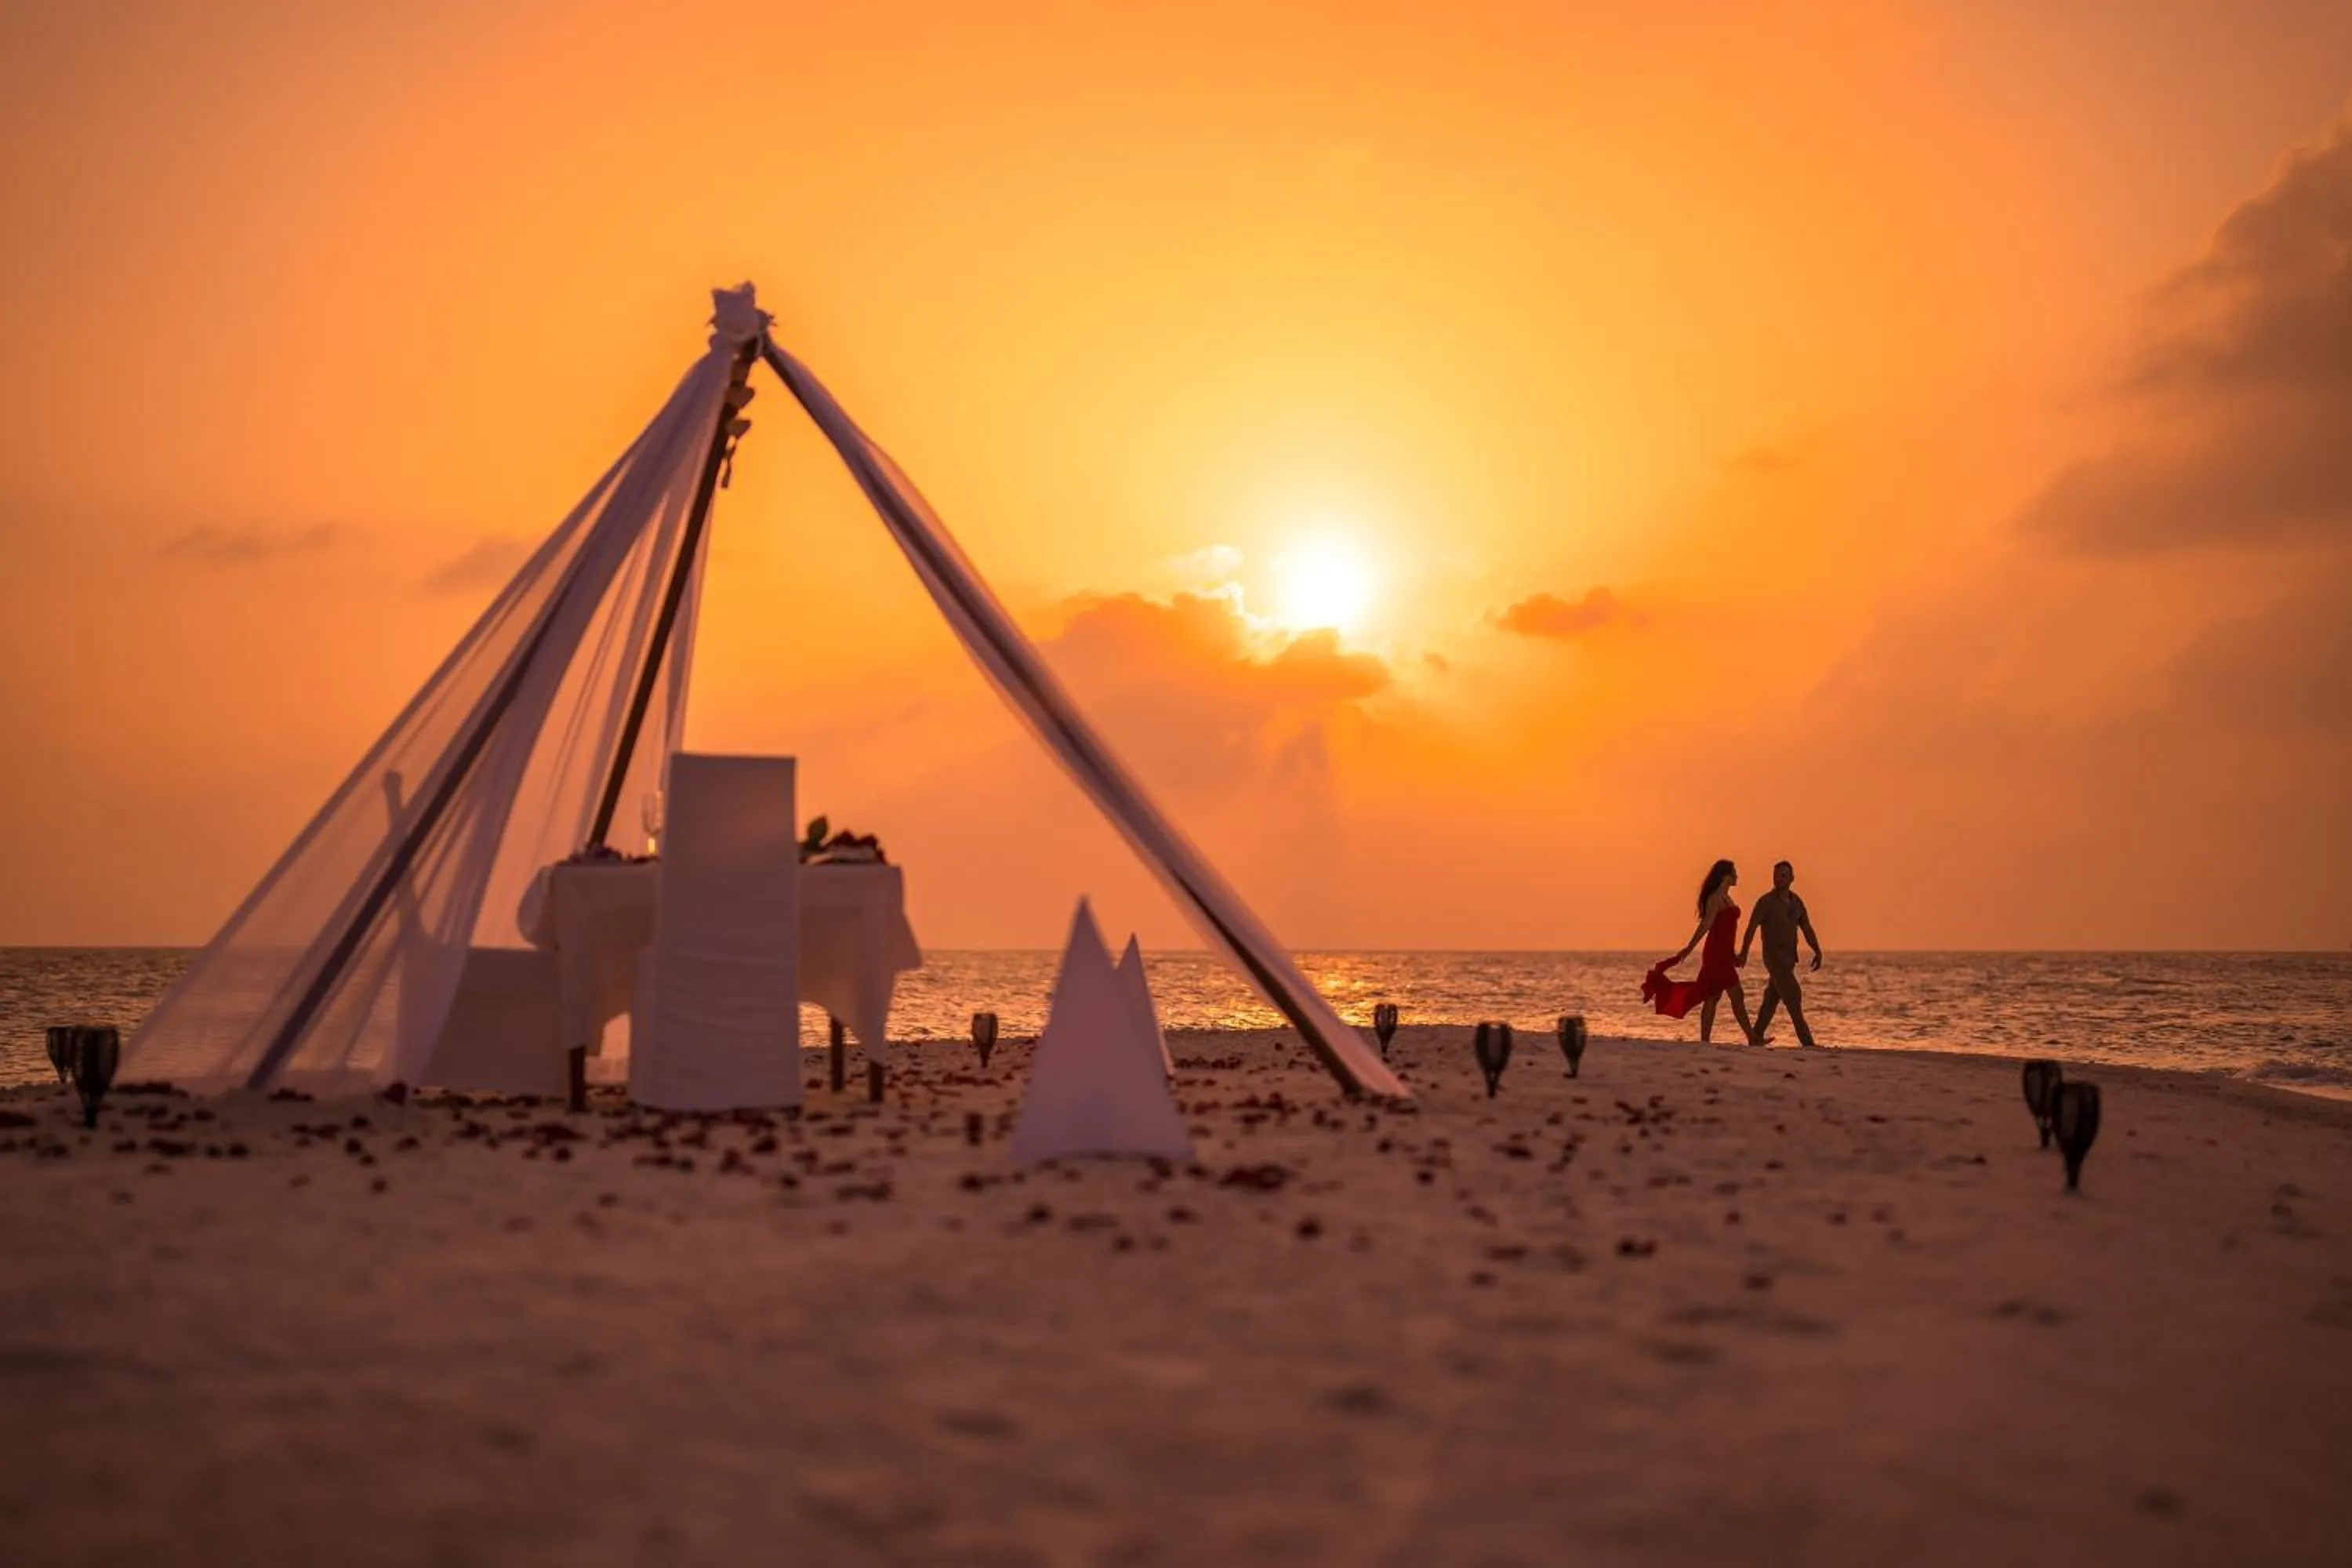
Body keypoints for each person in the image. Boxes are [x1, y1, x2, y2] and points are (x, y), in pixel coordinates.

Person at [1641, 858, 1759, 1045]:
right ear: (1725, 876)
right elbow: (1706, 926)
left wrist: (1733, 955)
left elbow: (1726, 931)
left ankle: (1705, 1041)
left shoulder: (1727, 897)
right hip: (1715, 955)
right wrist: (1688, 948)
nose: (1737, 876)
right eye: (1734, 873)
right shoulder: (1715, 898)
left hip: (1723, 954)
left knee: (1713, 997)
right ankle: (1752, 1039)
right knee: (1736, 995)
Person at [1740, 859, 1824, 1048]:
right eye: (1777, 875)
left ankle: (1756, 1037)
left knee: (1771, 999)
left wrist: (1817, 950)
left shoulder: (1797, 902)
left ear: (1792, 878)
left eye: (1784, 875)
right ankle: (1808, 1043)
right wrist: (1744, 953)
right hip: (1773, 958)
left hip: (1789, 960)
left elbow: (1807, 928)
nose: (1780, 879)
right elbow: (1751, 929)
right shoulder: (1765, 902)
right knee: (1794, 995)